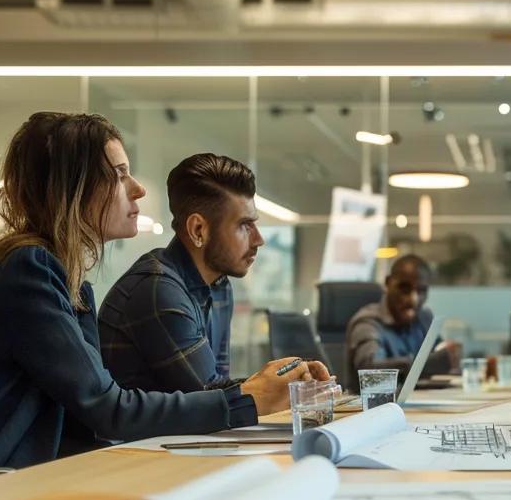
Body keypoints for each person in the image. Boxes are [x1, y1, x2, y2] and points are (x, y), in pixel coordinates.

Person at [0, 113, 304, 475]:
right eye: (119, 175)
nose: (136, 190)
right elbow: (105, 407)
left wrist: (257, 391)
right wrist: (249, 398)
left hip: (33, 473)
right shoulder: (27, 269)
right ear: (74, 189)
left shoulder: (68, 278)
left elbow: (95, 413)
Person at [99, 153, 326, 396]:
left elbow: (217, 387)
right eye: (244, 226)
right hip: (145, 436)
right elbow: (210, 399)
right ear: (198, 230)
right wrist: (283, 386)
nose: (258, 239)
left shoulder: (219, 286)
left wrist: (291, 380)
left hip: (185, 434)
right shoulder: (157, 290)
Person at [345, 254, 460, 391]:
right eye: (404, 289)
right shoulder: (367, 323)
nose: (413, 300)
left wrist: (451, 357)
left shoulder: (424, 317)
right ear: (388, 283)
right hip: (375, 409)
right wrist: (423, 365)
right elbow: (369, 371)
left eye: (421, 291)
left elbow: (440, 359)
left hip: (418, 405)